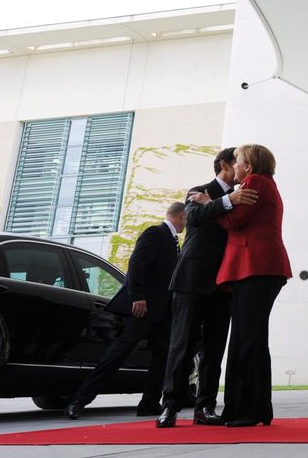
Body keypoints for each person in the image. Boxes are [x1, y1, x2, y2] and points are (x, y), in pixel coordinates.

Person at [156, 147, 258, 428]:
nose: (242, 166)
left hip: (224, 283)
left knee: (214, 348)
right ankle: (170, 406)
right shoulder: (198, 190)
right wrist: (227, 200)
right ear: (225, 164)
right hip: (191, 279)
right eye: (238, 161)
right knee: (182, 344)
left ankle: (205, 408)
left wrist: (222, 201)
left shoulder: (243, 195)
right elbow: (194, 218)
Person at [66, 203, 184, 420]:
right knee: (118, 354)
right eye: (187, 219)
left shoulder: (174, 241)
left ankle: (149, 402)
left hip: (162, 313)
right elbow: (136, 266)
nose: (186, 224)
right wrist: (137, 296)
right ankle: (79, 401)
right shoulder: (155, 233)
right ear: (181, 215)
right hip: (144, 308)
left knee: (163, 358)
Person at [214, 144, 292, 426]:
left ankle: (251, 409)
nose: (234, 165)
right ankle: (252, 407)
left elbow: (234, 220)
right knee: (251, 340)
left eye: (238, 161)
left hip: (256, 268)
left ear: (249, 166)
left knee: (247, 340)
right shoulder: (261, 182)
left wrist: (206, 205)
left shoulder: (255, 182)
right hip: (257, 268)